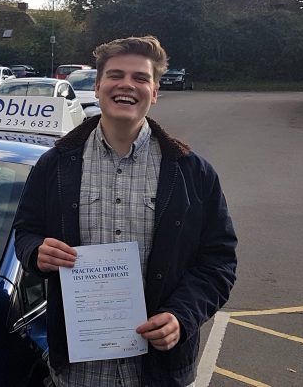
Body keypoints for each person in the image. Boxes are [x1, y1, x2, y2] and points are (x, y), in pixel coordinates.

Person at [12, 36, 237, 386]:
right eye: (116, 75)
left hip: (158, 372)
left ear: (155, 91)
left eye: (141, 78)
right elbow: (25, 231)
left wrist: (182, 316)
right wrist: (35, 251)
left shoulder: (191, 172)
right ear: (99, 86)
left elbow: (219, 262)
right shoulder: (55, 166)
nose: (127, 85)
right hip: (77, 372)